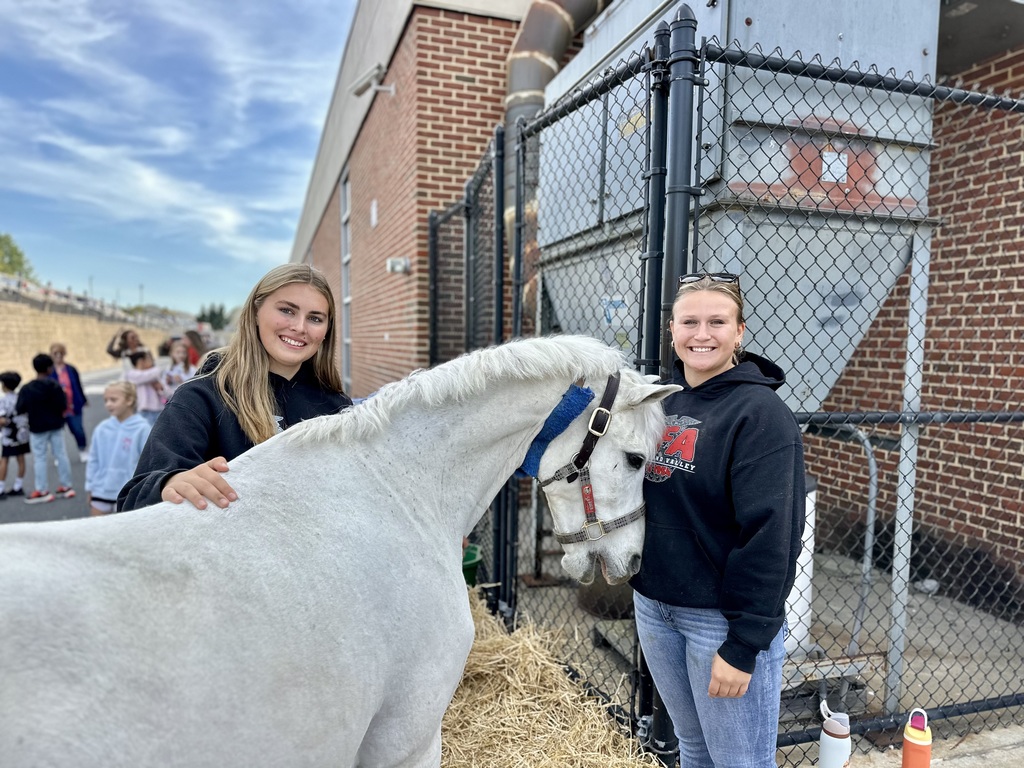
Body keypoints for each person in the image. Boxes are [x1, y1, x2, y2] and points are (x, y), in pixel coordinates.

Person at [630, 272, 805, 768]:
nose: (701, 334)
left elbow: (773, 537)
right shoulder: (662, 403)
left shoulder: (760, 415)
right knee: (695, 752)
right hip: (655, 606)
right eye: (689, 321)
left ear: (740, 332)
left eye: (716, 321)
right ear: (671, 330)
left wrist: (744, 643)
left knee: (740, 763)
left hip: (718, 622)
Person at [118, 263, 352, 512]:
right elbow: (134, 499)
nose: (300, 327)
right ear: (254, 312)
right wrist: (170, 483)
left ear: (327, 330)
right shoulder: (202, 397)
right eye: (287, 310)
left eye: (315, 318)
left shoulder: (337, 409)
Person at [16, 353, 77, 504]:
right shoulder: (55, 386)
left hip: (37, 427)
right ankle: (67, 486)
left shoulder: (27, 388)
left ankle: (42, 490)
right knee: (61, 454)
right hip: (56, 425)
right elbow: (63, 406)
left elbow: (20, 408)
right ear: (49, 368)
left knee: (40, 458)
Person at [85, 381, 151, 516]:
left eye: (113, 400)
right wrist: (90, 487)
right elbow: (93, 459)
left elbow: (147, 462)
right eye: (106, 400)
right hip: (101, 489)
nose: (108, 404)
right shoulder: (102, 429)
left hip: (127, 491)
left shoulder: (142, 428)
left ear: (129, 400)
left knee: (124, 535)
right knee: (97, 532)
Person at [48, 342, 90, 462]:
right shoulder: (49, 371)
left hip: (73, 405)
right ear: (51, 354)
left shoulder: (71, 369)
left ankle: (82, 449)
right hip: (57, 408)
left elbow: (78, 385)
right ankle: (57, 455)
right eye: (55, 353)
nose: (58, 355)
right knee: (56, 434)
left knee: (78, 429)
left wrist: (84, 399)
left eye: (61, 352)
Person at [0, 371, 29, 498]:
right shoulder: (20, 398)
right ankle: (18, 485)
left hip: (9, 435)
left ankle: (0, 487)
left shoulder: (3, 400)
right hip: (22, 434)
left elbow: (1, 419)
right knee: (20, 459)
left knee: (4, 460)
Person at [124, 350, 165, 426]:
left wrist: (161, 388)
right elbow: (152, 374)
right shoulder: (132, 374)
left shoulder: (152, 374)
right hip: (144, 411)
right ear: (141, 361)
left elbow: (166, 390)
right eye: (148, 359)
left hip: (159, 409)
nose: (152, 361)